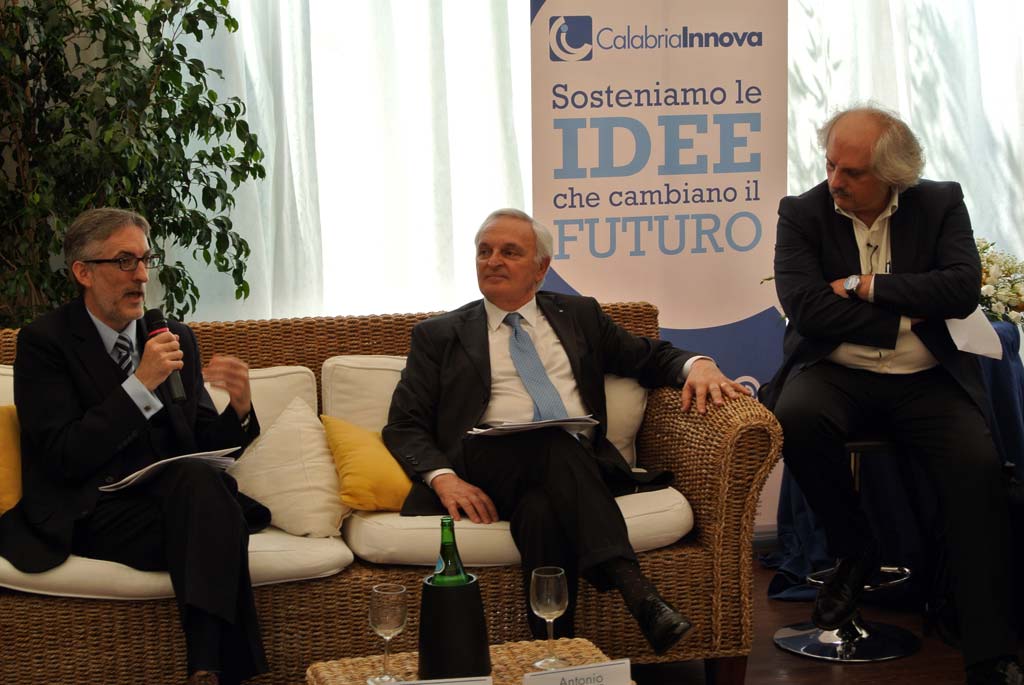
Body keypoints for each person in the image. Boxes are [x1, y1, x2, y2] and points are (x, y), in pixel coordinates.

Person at [382, 208, 750, 655]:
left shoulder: (579, 316)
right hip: (486, 464)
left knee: (541, 511)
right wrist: (444, 479)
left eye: (509, 252)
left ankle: (556, 655)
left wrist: (700, 365)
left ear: (541, 268)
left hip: (573, 469)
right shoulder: (439, 335)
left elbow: (649, 357)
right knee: (552, 440)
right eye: (484, 251)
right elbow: (404, 423)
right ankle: (637, 592)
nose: (493, 260)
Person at [763, 106, 1021, 684]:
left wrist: (863, 286)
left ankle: (990, 652)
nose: (835, 181)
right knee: (795, 418)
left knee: (977, 469)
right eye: (830, 165)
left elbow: (959, 290)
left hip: (926, 378)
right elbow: (807, 308)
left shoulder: (940, 203)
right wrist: (906, 314)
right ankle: (855, 547)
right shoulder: (801, 213)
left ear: (892, 175)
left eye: (852, 172)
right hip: (836, 372)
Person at [0, 208, 269, 685]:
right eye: (125, 261)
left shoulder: (174, 337)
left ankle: (206, 669)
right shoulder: (45, 343)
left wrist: (241, 410)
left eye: (146, 259)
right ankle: (224, 670)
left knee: (203, 488)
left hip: (173, 508)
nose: (142, 276)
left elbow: (204, 441)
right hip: (93, 511)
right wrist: (140, 385)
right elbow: (63, 455)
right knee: (215, 516)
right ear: (83, 272)